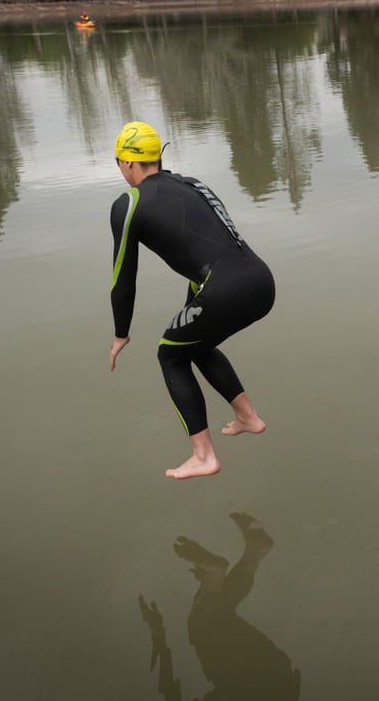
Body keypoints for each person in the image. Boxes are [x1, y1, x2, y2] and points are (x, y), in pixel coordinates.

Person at [107, 121, 275, 480]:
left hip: (225, 289)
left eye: (119, 162)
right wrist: (195, 307)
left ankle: (203, 456)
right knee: (195, 345)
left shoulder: (130, 204)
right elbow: (209, 247)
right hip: (261, 280)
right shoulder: (193, 184)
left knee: (169, 355)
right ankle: (247, 416)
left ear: (128, 163)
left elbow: (123, 279)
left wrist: (121, 333)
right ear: (157, 158)